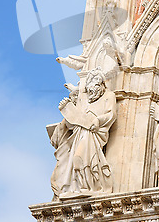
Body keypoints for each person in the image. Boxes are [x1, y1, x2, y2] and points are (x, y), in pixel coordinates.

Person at [49, 68, 116, 199]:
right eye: (90, 84)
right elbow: (73, 122)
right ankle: (81, 187)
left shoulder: (109, 96)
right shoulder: (84, 98)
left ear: (101, 84)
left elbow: (111, 115)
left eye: (96, 83)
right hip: (80, 132)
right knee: (76, 161)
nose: (92, 89)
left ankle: (91, 187)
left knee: (79, 158)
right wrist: (67, 110)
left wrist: (97, 120)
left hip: (93, 134)